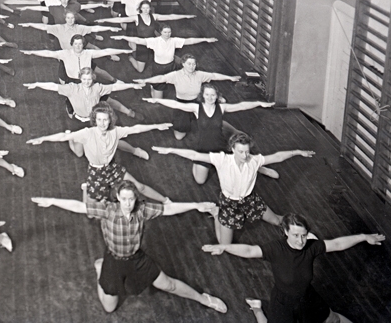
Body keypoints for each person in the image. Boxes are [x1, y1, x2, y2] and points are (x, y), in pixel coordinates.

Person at [31, 180, 227, 315]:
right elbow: (79, 206)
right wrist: (52, 201)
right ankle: (100, 268)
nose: (127, 203)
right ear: (118, 197)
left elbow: (168, 209)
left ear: (136, 198)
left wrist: (195, 205)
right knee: (109, 308)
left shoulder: (142, 209)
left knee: (168, 285)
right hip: (114, 261)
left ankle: (203, 299)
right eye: (124, 199)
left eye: (131, 199)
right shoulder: (107, 209)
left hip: (137, 259)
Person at [202, 213, 385, 323]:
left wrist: (363, 237)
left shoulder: (311, 247)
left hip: (307, 298)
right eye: (296, 235)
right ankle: (258, 309)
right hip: (283, 303)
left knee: (333, 319)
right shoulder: (276, 249)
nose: (300, 241)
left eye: (304, 235)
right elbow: (249, 250)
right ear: (286, 232)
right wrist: (224, 247)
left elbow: (336, 244)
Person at [152, 133, 315, 244]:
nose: (245, 156)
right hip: (229, 204)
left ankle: (303, 233)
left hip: (250, 200)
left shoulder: (254, 160)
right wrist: (171, 150)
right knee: (224, 245)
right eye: (241, 152)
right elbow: (195, 155)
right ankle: (217, 214)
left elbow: (277, 156)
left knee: (278, 221)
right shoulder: (222, 159)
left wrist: (297, 152)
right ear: (233, 149)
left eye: (247, 151)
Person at [27, 102, 171, 203]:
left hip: (112, 168)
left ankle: (166, 201)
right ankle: (86, 187)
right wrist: (43, 139)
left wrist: (157, 126)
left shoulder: (116, 131)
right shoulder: (87, 133)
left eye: (105, 120)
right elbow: (62, 137)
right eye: (99, 120)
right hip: (95, 173)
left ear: (110, 120)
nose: (102, 123)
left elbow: (136, 128)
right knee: (90, 213)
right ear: (94, 120)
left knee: (140, 187)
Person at [143, 83, 276, 183]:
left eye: (213, 95)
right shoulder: (196, 108)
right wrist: (157, 100)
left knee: (241, 156)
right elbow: (176, 105)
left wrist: (259, 103)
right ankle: (202, 162)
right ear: (202, 95)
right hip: (204, 148)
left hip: (221, 146)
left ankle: (259, 167)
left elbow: (241, 106)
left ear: (217, 96)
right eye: (207, 95)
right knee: (200, 181)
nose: (210, 97)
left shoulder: (221, 108)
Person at [136, 54, 241, 139]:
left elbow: (214, 76)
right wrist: (145, 80)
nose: (192, 66)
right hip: (182, 104)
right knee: (179, 137)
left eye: (194, 64)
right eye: (189, 64)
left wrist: (230, 78)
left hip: (197, 101)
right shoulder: (176, 75)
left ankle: (234, 130)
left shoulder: (199, 74)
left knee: (212, 121)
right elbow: (161, 78)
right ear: (183, 64)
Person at [111, 24, 217, 96]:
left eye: (169, 32)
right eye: (165, 32)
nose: (167, 34)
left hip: (171, 66)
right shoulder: (155, 41)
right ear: (160, 32)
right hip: (159, 68)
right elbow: (139, 40)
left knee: (188, 75)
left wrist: (205, 39)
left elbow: (190, 41)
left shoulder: (174, 41)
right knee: (157, 99)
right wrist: (124, 37)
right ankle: (153, 87)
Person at [98, 0, 194, 72]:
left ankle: (180, 62)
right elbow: (120, 20)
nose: (145, 10)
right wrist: (104, 20)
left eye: (147, 8)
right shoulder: (136, 18)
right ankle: (130, 57)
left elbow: (170, 17)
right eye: (143, 8)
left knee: (167, 54)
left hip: (153, 42)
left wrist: (185, 16)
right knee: (140, 70)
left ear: (150, 8)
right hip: (142, 44)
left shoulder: (154, 16)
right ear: (140, 8)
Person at [24, 67, 145, 123]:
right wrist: (37, 84)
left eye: (89, 79)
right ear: (80, 78)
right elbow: (53, 86)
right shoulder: (72, 88)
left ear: (93, 78)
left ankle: (130, 113)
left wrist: (131, 85)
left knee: (110, 102)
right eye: (84, 79)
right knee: (79, 152)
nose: (87, 82)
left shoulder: (98, 87)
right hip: (78, 118)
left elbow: (114, 87)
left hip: (95, 118)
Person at [22, 33, 131, 84]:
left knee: (100, 72)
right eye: (76, 44)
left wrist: (122, 51)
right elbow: (48, 53)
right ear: (71, 44)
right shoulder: (65, 54)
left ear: (83, 45)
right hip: (72, 78)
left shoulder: (88, 53)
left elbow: (105, 52)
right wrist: (32, 52)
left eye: (80, 44)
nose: (78, 46)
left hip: (85, 74)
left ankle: (114, 80)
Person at [19, 10, 120, 50]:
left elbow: (95, 28)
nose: (70, 20)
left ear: (75, 19)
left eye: (72, 18)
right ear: (65, 19)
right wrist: (29, 24)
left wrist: (110, 28)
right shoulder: (59, 28)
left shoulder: (79, 28)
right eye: (68, 18)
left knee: (94, 49)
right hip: (67, 55)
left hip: (79, 50)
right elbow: (44, 27)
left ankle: (109, 57)